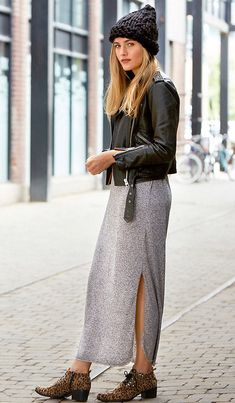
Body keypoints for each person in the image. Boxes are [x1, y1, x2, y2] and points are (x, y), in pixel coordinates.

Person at [35, 4, 180, 402]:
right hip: (124, 193)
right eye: (117, 45)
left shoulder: (159, 88)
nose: (122, 52)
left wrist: (113, 157)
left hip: (147, 195)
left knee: (142, 285)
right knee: (105, 279)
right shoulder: (127, 88)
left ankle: (141, 372)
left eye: (130, 44)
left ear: (147, 48)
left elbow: (164, 150)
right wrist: (115, 159)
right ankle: (80, 370)